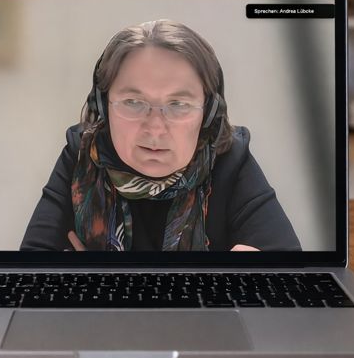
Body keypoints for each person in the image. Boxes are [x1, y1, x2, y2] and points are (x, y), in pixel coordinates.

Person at [20, 19, 300, 251]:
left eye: (178, 105)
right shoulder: (81, 154)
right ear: (104, 108)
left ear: (209, 113)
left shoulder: (230, 159)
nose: (155, 127)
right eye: (133, 102)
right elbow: (32, 271)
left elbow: (289, 273)